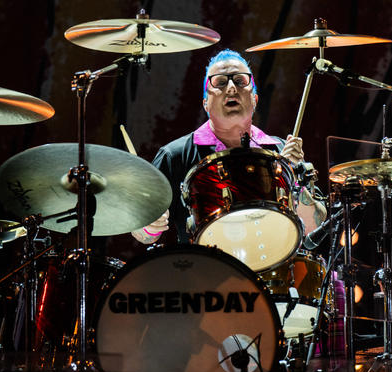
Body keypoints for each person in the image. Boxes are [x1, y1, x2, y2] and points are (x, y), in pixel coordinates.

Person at [132, 49, 326, 245]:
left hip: (273, 272)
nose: (232, 88)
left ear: (255, 100)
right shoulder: (175, 156)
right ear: (205, 103)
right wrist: (148, 225)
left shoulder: (280, 151)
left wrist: (294, 178)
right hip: (203, 271)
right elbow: (144, 235)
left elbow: (314, 228)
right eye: (220, 82)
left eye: (241, 81)